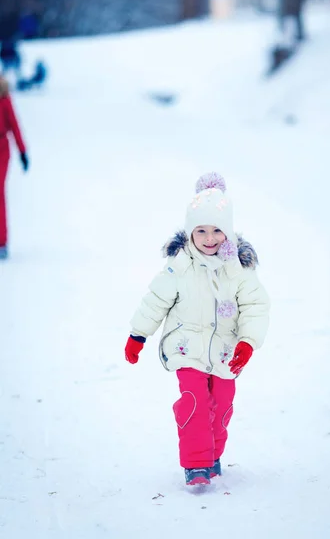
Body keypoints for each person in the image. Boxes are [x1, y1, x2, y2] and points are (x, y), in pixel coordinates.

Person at [125, 172, 270, 486]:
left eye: (217, 230)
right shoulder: (180, 264)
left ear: (228, 232)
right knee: (194, 401)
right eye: (201, 230)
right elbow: (156, 300)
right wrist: (138, 335)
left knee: (221, 405)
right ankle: (197, 465)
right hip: (186, 347)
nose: (209, 238)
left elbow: (256, 306)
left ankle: (213, 455)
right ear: (190, 232)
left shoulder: (239, 269)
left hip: (225, 352)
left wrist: (247, 341)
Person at [0, 75, 29, 259]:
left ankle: (2, 241)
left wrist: (22, 151)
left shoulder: (4, 98)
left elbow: (14, 125)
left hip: (1, 149)